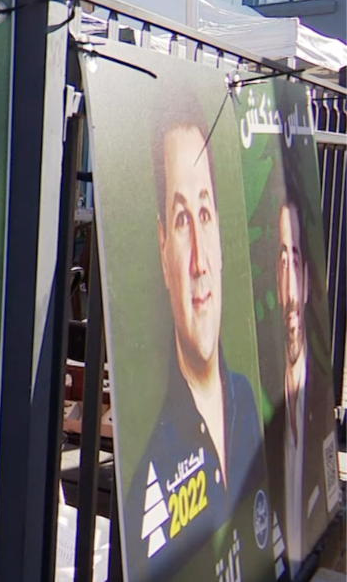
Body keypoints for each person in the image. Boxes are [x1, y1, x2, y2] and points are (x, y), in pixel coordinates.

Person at [128, 111, 267, 581]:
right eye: (182, 219)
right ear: (163, 249)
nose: (200, 264)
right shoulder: (149, 479)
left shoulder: (248, 402)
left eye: (204, 214)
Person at [273, 194, 333, 575]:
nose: (292, 291)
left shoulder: (320, 403)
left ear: (309, 282)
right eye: (281, 261)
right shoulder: (260, 418)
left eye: (295, 259)